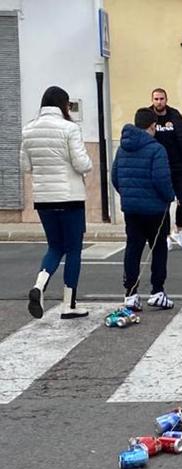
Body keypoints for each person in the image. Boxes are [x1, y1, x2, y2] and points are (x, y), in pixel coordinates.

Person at [21, 86, 93, 319]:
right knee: (73, 250)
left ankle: (39, 286)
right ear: (63, 105)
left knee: (54, 246)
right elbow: (82, 164)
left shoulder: (28, 129)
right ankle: (68, 304)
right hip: (69, 197)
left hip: (43, 199)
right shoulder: (70, 128)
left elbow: (25, 166)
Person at [111, 108, 176, 311]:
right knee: (158, 249)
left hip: (131, 209)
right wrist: (169, 197)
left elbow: (115, 177)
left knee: (133, 249)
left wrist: (128, 195)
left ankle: (130, 294)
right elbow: (161, 179)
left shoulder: (122, 149)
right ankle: (157, 291)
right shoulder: (156, 149)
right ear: (152, 126)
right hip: (155, 209)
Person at [150, 88, 182, 250]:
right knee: (164, 202)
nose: (159, 102)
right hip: (160, 167)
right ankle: (165, 235)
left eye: (161, 98)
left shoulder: (175, 116)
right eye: (156, 99)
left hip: (178, 167)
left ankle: (178, 230)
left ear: (166, 99)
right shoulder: (149, 117)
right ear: (152, 100)